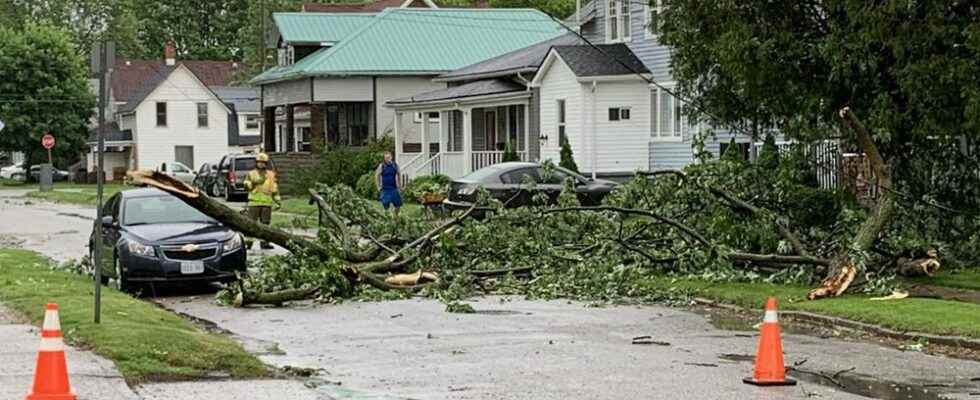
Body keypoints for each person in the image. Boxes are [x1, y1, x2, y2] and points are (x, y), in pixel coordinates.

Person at [243, 153, 281, 249]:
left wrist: (278, 201)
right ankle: (248, 243)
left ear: (266, 163)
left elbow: (274, 188)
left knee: (265, 224)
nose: (261, 164)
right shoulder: (251, 174)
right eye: (259, 162)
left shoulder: (271, 175)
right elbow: (246, 186)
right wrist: (253, 182)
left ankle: (264, 243)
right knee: (251, 224)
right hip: (254, 203)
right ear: (256, 163)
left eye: (263, 162)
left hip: (267, 203)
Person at [374, 151, 402, 218]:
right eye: (386, 158)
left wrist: (400, 186)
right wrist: (378, 186)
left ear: (391, 157)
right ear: (384, 159)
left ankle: (396, 216)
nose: (388, 159)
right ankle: (388, 217)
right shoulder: (382, 166)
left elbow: (399, 174)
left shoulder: (395, 165)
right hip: (385, 189)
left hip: (394, 188)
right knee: (385, 204)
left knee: (398, 204)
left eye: (389, 157)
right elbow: (376, 176)